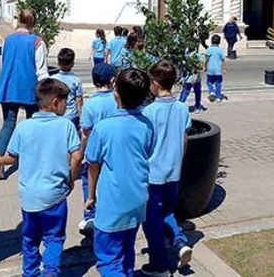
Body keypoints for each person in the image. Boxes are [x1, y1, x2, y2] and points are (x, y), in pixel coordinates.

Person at [0, 79, 82, 277]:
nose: (66, 105)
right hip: (55, 194)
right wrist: (71, 177)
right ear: (56, 102)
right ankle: (51, 272)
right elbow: (77, 156)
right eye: (65, 101)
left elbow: (12, 157)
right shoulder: (66, 126)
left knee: (29, 239)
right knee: (54, 238)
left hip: (29, 196)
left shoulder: (23, 127)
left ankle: (29, 273)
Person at [85, 68, 154, 276]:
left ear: (116, 93)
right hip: (138, 200)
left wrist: (91, 195)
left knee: (108, 261)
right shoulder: (147, 125)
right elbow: (148, 152)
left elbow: (93, 164)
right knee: (126, 251)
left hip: (112, 204)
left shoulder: (103, 128)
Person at [141, 61, 194, 276]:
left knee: (151, 221)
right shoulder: (182, 109)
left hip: (153, 174)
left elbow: (146, 143)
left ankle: (159, 264)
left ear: (154, 83)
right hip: (173, 172)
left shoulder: (149, 111)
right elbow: (184, 139)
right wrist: (178, 161)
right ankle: (180, 242)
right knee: (167, 211)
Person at [0, 9, 49, 160]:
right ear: (33, 23)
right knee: (31, 124)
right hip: (30, 88)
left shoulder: (7, 40)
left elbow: (4, 63)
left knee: (8, 124)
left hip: (8, 86)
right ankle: (28, 159)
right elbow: (41, 71)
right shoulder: (37, 42)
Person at [77, 63, 119, 234]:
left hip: (94, 150)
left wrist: (80, 152)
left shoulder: (90, 104)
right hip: (113, 149)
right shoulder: (117, 99)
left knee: (89, 181)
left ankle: (90, 214)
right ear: (113, 80)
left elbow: (85, 131)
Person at [51, 48, 84, 128]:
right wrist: (81, 117)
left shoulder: (53, 79)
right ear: (72, 64)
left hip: (56, 114)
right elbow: (79, 100)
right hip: (71, 115)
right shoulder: (76, 80)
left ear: (58, 63)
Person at [179, 49, 206, 114]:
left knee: (185, 93)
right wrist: (195, 77)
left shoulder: (184, 56)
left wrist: (180, 78)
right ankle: (197, 107)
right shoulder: (197, 56)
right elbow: (198, 67)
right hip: (195, 79)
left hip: (186, 78)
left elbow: (181, 67)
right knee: (197, 93)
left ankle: (179, 107)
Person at [205, 35, 227, 102]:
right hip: (218, 70)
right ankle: (218, 96)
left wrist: (205, 67)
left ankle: (211, 91)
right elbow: (223, 60)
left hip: (210, 69)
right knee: (218, 83)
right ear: (219, 42)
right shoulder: (220, 50)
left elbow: (206, 59)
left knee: (209, 82)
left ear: (211, 41)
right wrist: (224, 69)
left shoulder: (209, 49)